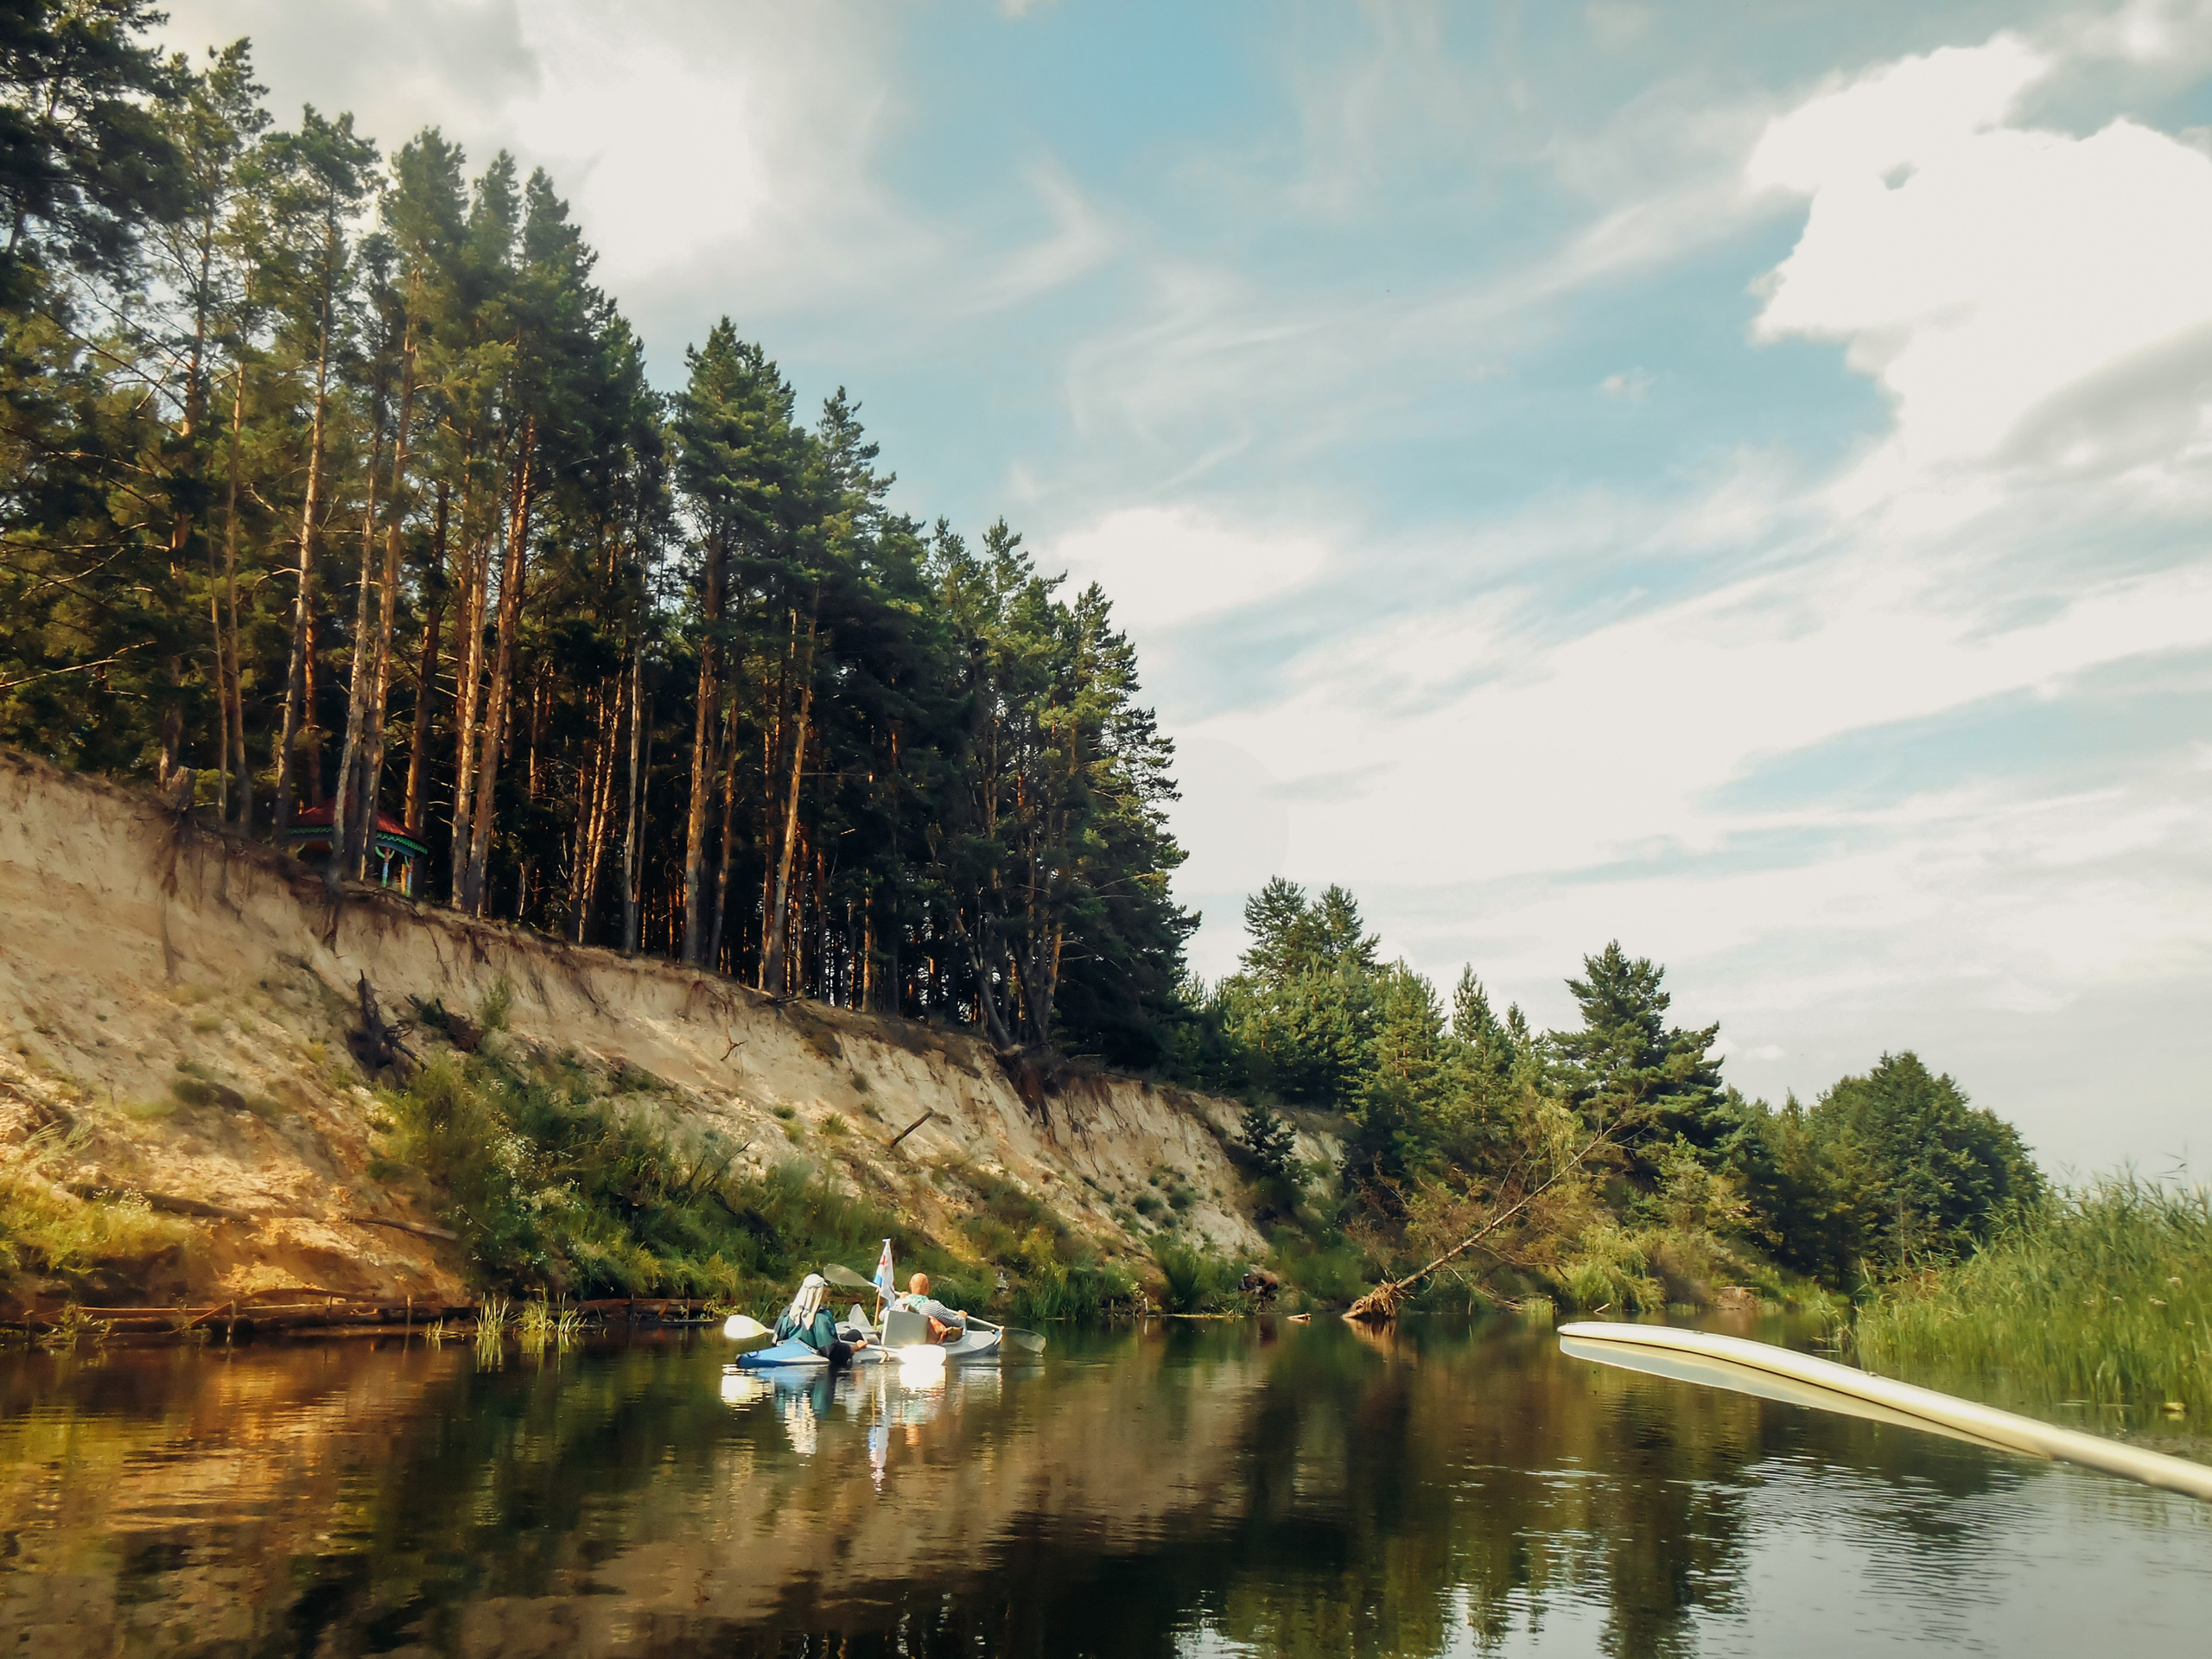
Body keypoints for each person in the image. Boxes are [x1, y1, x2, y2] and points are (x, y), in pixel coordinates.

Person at [776, 1273, 867, 1363]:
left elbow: (776, 1342)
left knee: (854, 1334)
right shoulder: (821, 1316)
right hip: (812, 1363)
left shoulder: (787, 1313)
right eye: (824, 1291)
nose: (826, 1294)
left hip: (789, 1357)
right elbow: (831, 1351)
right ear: (819, 1293)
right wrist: (854, 1348)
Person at [895, 1272, 968, 1343]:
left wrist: (902, 1299)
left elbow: (884, 1316)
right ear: (927, 1287)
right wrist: (961, 1317)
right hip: (924, 1345)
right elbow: (958, 1323)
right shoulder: (934, 1306)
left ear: (910, 1286)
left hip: (898, 1343)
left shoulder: (898, 1304)